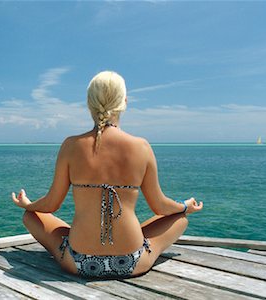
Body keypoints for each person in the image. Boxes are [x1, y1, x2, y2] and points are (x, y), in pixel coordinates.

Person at [11, 71, 203, 278]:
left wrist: (28, 205)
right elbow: (160, 206)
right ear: (125, 102)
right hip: (132, 260)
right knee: (180, 219)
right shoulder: (141, 147)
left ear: (89, 103)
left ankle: (81, 237)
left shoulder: (71, 146)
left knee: (31, 216)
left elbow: (51, 204)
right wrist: (185, 206)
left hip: (78, 262)